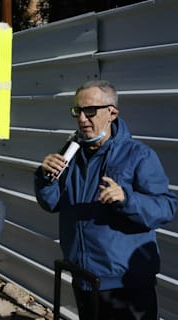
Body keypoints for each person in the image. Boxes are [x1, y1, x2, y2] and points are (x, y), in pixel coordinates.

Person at [34, 80, 177, 320]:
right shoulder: (72, 152)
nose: (82, 119)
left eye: (90, 111)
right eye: (77, 111)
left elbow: (166, 207)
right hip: (84, 278)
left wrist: (127, 199)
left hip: (124, 285)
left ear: (112, 113)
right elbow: (51, 203)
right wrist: (45, 177)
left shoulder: (138, 155)